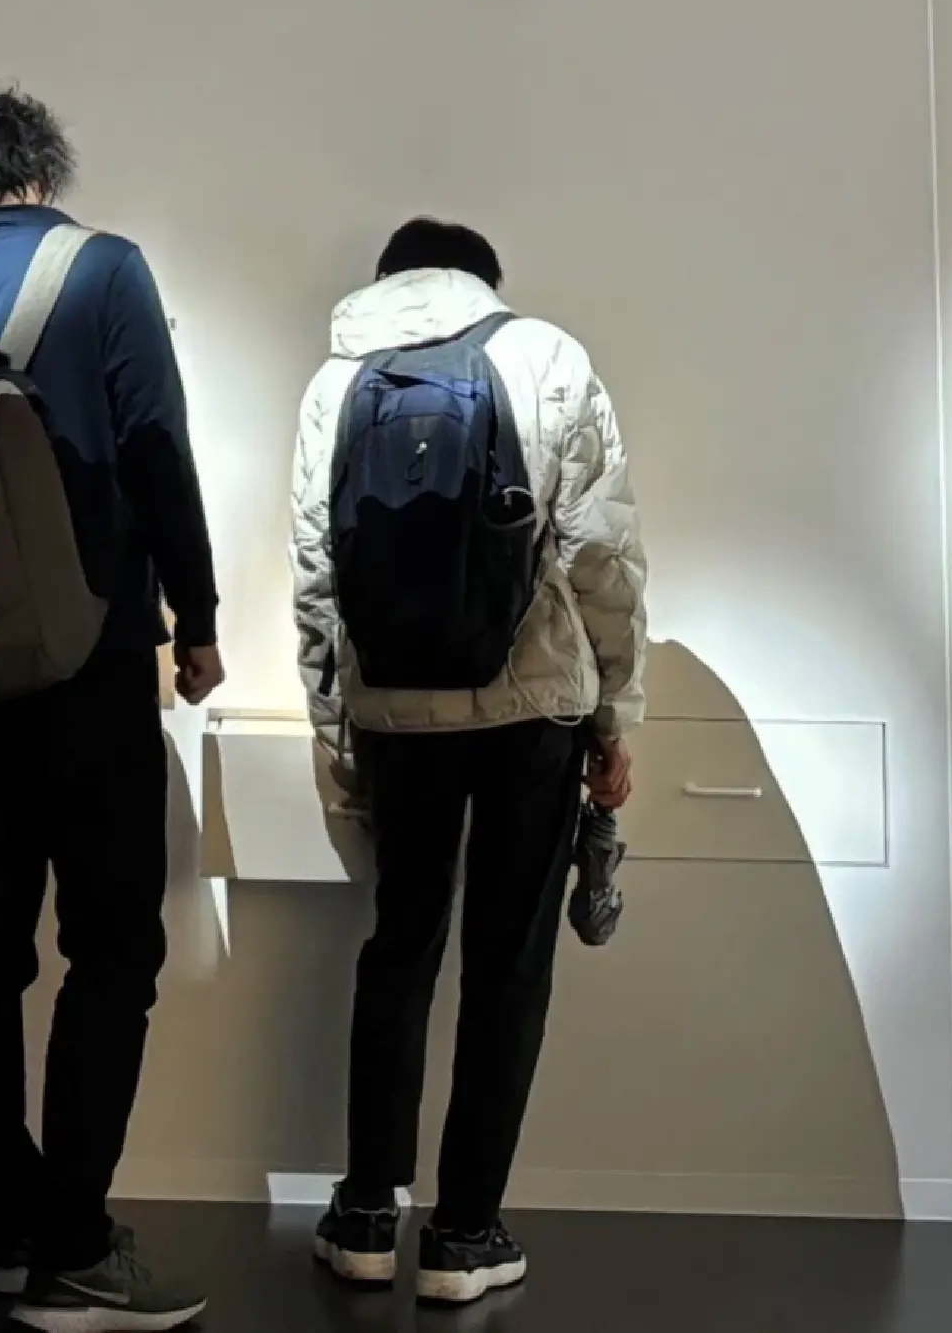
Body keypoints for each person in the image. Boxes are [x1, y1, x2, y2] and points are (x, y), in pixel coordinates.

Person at [0, 86, 221, 1331]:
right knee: (112, 952)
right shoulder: (104, 272)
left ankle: (6, 1228)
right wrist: (196, 622)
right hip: (86, 670)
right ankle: (79, 1241)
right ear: (40, 166)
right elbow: (156, 452)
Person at [290, 218, 647, 1304]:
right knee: (506, 967)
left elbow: (316, 576)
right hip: (528, 710)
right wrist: (615, 716)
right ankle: (463, 1235)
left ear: (389, 281)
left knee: (398, 949)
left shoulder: (333, 384)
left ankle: (359, 1216)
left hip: (396, 714)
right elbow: (598, 553)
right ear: (482, 279)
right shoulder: (543, 356)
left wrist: (336, 731)